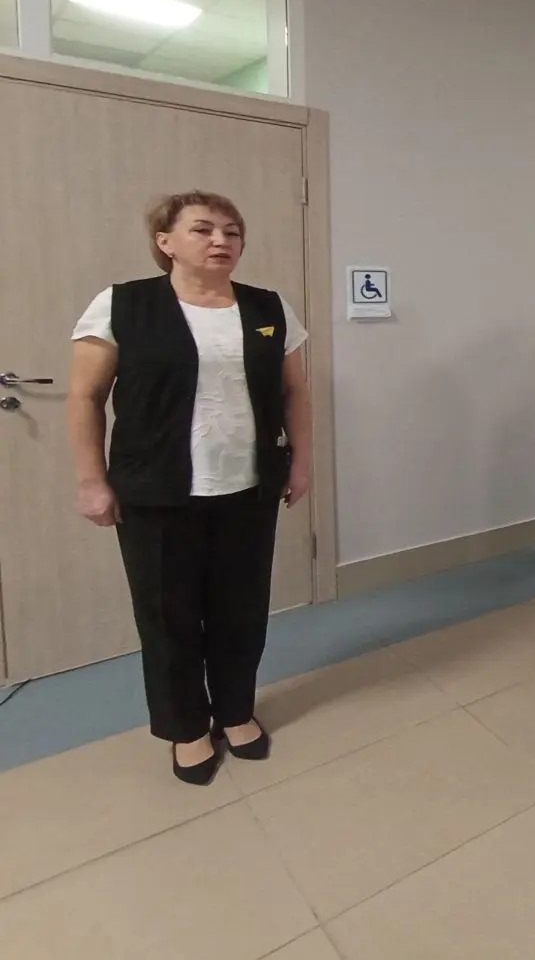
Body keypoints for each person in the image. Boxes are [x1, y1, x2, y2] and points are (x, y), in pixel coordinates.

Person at [66, 192, 311, 785]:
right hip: (156, 492)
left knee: (241, 611)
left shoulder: (268, 307)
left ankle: (235, 711)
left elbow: (294, 392)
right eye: (203, 229)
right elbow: (85, 396)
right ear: (165, 241)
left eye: (232, 231)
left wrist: (301, 462)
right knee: (168, 618)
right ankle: (186, 727)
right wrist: (91, 479)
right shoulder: (124, 304)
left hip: (248, 488)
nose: (221, 240)